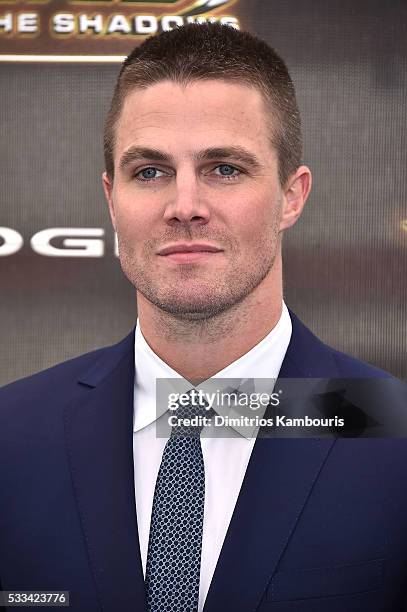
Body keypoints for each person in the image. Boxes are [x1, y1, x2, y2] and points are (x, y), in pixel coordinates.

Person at [0, 23, 406, 612]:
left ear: (292, 196)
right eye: (150, 171)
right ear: (111, 199)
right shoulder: (10, 435)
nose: (184, 207)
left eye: (224, 169)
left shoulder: (392, 435)